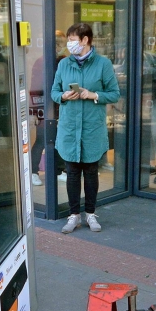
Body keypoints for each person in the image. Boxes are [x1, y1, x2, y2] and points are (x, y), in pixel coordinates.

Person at [51, 23, 121, 233]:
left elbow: (115, 93)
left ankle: (90, 214)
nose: (69, 44)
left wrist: (93, 95)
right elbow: (54, 91)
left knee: (91, 172)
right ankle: (74, 216)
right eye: (69, 40)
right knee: (72, 173)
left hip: (91, 128)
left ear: (85, 40)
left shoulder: (103, 64)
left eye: (73, 40)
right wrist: (63, 96)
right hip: (70, 128)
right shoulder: (64, 64)